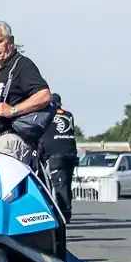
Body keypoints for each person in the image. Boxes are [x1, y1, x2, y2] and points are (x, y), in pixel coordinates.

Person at [0, 20, 51, 160]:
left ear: (10, 41)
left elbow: (44, 95)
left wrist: (12, 110)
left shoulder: (22, 65)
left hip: (9, 141)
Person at [41, 94, 79, 222]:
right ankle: (67, 211)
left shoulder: (47, 115)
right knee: (67, 184)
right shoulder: (69, 115)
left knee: (59, 185)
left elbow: (43, 135)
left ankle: (63, 214)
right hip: (70, 153)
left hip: (55, 155)